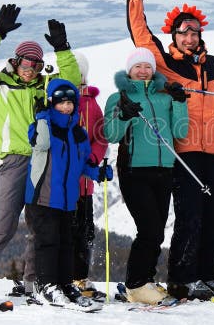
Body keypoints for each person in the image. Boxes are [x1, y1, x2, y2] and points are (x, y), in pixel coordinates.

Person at [122, 0, 214, 301]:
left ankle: (208, 275)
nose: (191, 36)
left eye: (195, 31)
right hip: (185, 152)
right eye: (184, 31)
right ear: (174, 35)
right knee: (189, 216)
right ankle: (182, 278)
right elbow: (141, 35)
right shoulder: (166, 65)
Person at [0, 4, 79, 301]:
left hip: (45, 162)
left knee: (42, 227)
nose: (30, 69)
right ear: (15, 61)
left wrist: (62, 48)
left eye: (35, 64)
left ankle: (35, 283)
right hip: (16, 161)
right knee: (0, 226)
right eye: (26, 63)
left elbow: (70, 82)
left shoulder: (46, 88)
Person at [104, 48, 189, 304]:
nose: (143, 71)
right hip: (134, 170)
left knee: (157, 230)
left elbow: (180, 131)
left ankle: (145, 280)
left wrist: (179, 102)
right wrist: (124, 115)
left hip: (164, 170)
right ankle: (136, 284)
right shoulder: (117, 97)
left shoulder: (164, 98)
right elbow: (111, 135)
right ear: (129, 70)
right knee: (149, 228)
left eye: (147, 67)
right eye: (137, 66)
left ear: (154, 71)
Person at [25, 79, 113, 307]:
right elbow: (41, 144)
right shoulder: (41, 127)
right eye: (60, 103)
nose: (65, 107)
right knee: (48, 242)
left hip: (67, 200)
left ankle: (65, 284)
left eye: (69, 103)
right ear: (51, 103)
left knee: (66, 243)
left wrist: (98, 173)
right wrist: (42, 117)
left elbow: (82, 164)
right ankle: (46, 286)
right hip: (43, 197)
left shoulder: (78, 134)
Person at [70, 52, 109, 298]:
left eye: (80, 74)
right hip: (63, 185)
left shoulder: (91, 104)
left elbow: (101, 136)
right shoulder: (58, 102)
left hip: (85, 184)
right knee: (66, 230)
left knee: (85, 231)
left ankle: (80, 278)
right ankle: (62, 277)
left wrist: (94, 158)